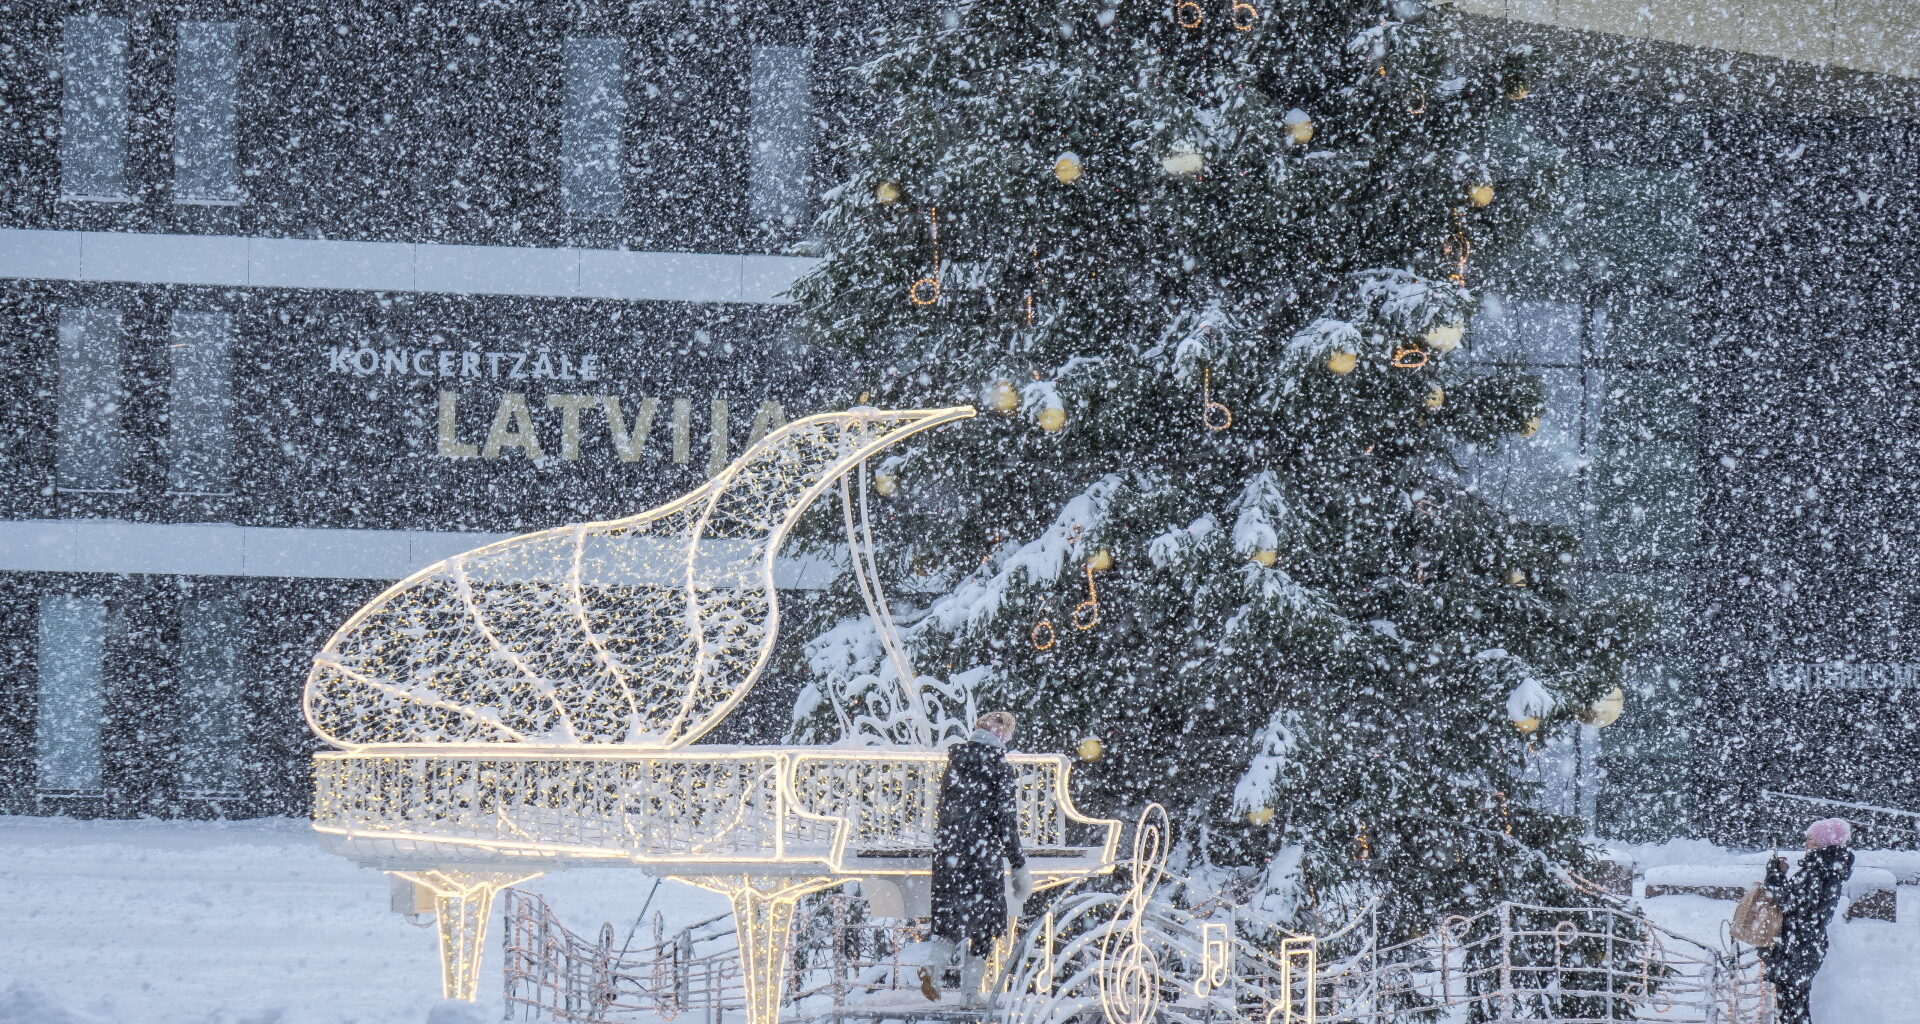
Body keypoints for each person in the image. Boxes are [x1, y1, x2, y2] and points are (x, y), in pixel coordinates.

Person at [918, 711, 1032, 1006]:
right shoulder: (998, 766)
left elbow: (946, 810)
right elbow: (1006, 821)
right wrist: (1018, 863)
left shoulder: (955, 762)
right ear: (1003, 735)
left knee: (950, 917)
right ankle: (969, 994)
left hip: (949, 852)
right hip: (982, 854)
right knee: (986, 923)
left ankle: (934, 967)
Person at [1761, 817, 1855, 1024]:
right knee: (1793, 1005)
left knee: (1793, 1007)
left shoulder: (1817, 871)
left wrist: (1775, 876)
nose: (1806, 843)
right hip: (1805, 943)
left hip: (1799, 945)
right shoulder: (1827, 868)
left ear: (1823, 843)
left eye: (1811, 839)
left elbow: (1787, 903)